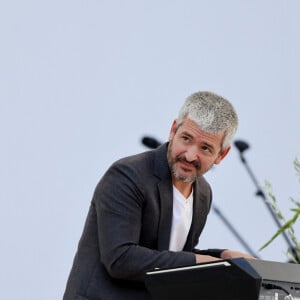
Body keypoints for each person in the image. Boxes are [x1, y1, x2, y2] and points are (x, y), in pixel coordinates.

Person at [63, 91, 254, 300]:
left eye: (205, 148)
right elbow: (120, 259)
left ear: (221, 155)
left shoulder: (203, 193)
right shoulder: (127, 175)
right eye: (186, 139)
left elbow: (172, 253)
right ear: (173, 130)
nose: (190, 155)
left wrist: (223, 257)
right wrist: (209, 263)